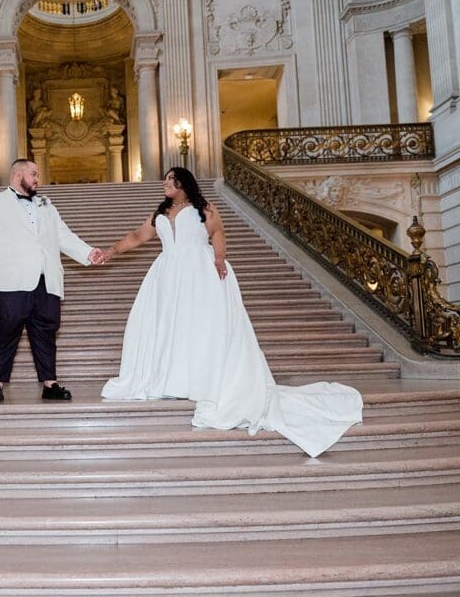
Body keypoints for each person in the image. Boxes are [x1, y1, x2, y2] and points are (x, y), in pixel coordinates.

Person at [99, 167, 362, 457]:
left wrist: (220, 258)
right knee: (167, 326)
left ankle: (201, 378)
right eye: (165, 179)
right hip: (166, 275)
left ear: (184, 183)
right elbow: (137, 236)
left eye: (171, 179)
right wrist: (111, 250)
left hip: (199, 271)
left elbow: (217, 233)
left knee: (200, 326)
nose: (165, 183)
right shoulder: (159, 213)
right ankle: (169, 379)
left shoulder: (204, 208)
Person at [0, 159, 105, 404]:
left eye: (37, 175)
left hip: (46, 279)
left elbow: (63, 235)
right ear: (17, 174)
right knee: (6, 330)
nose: (37, 179)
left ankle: (50, 384)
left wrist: (88, 253)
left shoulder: (46, 205)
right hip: (9, 280)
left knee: (46, 330)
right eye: (33, 174)